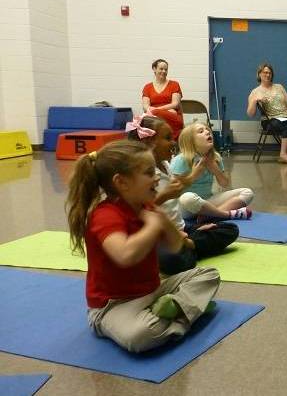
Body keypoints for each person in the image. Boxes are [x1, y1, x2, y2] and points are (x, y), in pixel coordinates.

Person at [65, 140, 220, 353]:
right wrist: (152, 226)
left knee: (209, 274)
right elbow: (125, 255)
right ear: (122, 182)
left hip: (153, 290)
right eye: (149, 173)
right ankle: (185, 315)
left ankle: (175, 310)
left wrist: (161, 218)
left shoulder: (145, 206)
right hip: (114, 306)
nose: (157, 177)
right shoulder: (105, 215)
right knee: (141, 336)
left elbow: (176, 246)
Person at [127, 115, 240, 275]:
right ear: (149, 142)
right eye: (167, 138)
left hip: (181, 227)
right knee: (174, 261)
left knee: (230, 229)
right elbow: (139, 213)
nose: (173, 142)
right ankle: (190, 245)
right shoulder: (144, 173)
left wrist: (191, 232)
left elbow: (224, 183)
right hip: (160, 234)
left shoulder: (166, 164)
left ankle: (189, 243)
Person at [172, 122, 254, 220]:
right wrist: (194, 174)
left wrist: (214, 168)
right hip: (186, 206)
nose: (207, 132)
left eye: (207, 130)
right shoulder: (181, 160)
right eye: (201, 131)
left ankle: (208, 216)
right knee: (187, 197)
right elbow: (174, 190)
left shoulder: (215, 157)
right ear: (191, 141)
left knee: (247, 192)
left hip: (207, 202)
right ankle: (220, 215)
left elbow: (224, 184)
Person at [246, 63, 287, 164]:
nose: (268, 75)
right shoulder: (255, 92)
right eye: (265, 72)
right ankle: (283, 154)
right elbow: (250, 114)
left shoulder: (279, 87)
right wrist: (254, 100)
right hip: (269, 120)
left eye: (270, 73)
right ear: (259, 74)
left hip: (285, 117)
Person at [142, 59, 184, 139]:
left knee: (148, 118)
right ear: (154, 69)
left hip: (171, 117)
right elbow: (145, 106)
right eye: (161, 69)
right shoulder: (147, 87)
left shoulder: (174, 84)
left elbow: (175, 104)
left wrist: (157, 110)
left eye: (166, 69)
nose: (164, 71)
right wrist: (160, 111)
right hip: (156, 116)